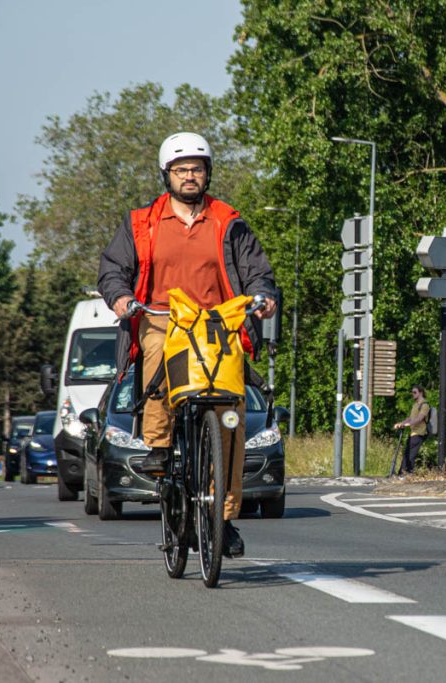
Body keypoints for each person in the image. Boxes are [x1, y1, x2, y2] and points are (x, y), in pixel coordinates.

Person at [97, 131, 277, 558]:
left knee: (230, 416)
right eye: (181, 170)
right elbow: (112, 270)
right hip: (163, 318)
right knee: (159, 353)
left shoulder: (228, 221)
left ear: (208, 172)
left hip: (217, 325)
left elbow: (257, 271)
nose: (190, 176)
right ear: (167, 176)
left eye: (197, 169)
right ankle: (159, 445)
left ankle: (224, 517)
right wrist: (121, 298)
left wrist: (265, 297)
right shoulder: (141, 222)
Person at [393, 385, 430, 474]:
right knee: (406, 454)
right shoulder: (415, 405)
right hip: (413, 433)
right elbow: (410, 418)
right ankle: (401, 473)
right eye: (412, 392)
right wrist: (401, 423)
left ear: (420, 393)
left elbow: (419, 419)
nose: (413, 394)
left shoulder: (425, 405)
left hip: (419, 433)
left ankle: (407, 474)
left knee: (411, 455)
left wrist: (407, 424)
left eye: (415, 392)